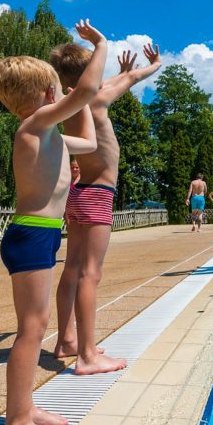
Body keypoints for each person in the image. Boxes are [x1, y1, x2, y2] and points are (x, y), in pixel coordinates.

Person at [0, 19, 106, 425]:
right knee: (32, 330)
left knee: (33, 327)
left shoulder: (48, 133)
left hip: (39, 235)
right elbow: (87, 91)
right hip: (32, 235)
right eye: (56, 89)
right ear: (45, 94)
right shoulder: (33, 127)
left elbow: (89, 143)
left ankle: (25, 406)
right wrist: (100, 45)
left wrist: (82, 108)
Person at [49, 41, 161, 373]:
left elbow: (118, 80)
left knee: (71, 270)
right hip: (98, 193)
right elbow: (131, 79)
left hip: (78, 193)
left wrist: (122, 73)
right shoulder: (96, 97)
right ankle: (86, 356)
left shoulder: (68, 102)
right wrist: (154, 64)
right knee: (90, 274)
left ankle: (66, 340)